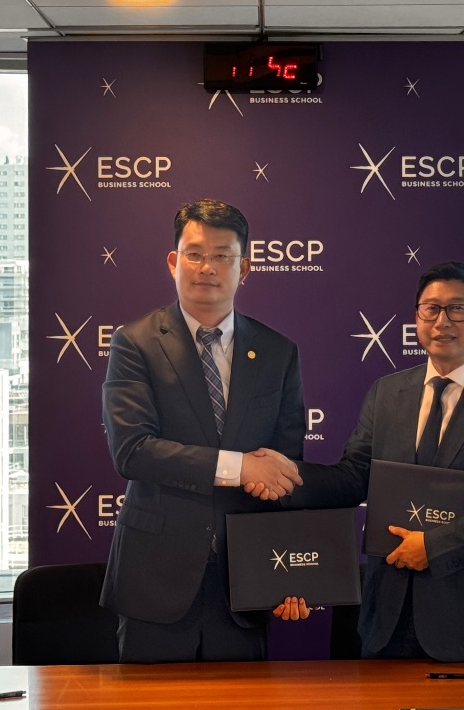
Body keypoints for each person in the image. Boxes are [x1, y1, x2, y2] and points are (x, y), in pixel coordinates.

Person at [263, 261, 464, 661]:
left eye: (458, 309)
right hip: (389, 618)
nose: (442, 321)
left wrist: (434, 546)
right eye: (430, 309)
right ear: (417, 317)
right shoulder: (388, 393)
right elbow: (354, 477)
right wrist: (287, 476)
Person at [100, 198, 307, 663]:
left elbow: (286, 468)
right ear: (174, 262)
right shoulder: (135, 343)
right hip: (155, 579)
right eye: (194, 254)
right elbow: (132, 451)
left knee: (242, 699)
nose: (207, 267)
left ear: (244, 267)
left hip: (248, 580)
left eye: (221, 255)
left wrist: (292, 569)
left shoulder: (278, 352)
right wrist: (238, 467)